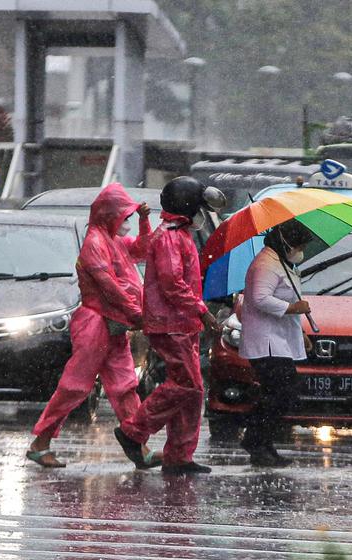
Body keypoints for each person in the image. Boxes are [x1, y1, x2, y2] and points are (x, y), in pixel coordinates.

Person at [27, 183, 156, 469]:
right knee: (75, 386)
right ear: (110, 215)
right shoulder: (94, 244)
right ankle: (41, 443)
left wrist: (146, 221)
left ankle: (139, 445)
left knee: (124, 386)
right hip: (95, 323)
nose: (127, 223)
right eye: (124, 217)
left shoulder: (112, 240)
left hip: (115, 324)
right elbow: (109, 286)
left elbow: (143, 250)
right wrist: (136, 312)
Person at [115, 177, 221, 475]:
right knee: (187, 384)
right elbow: (172, 284)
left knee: (194, 390)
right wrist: (204, 313)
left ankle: (179, 455)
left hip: (184, 323)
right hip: (170, 324)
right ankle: (133, 431)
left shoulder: (182, 234)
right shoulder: (169, 237)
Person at [238, 220, 314, 467]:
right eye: (299, 245)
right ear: (286, 242)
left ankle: (263, 441)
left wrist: (299, 332)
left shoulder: (281, 263)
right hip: (266, 341)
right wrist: (292, 308)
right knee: (280, 390)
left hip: (278, 339)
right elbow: (259, 299)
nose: (300, 250)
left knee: (279, 392)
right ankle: (255, 438)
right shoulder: (265, 265)